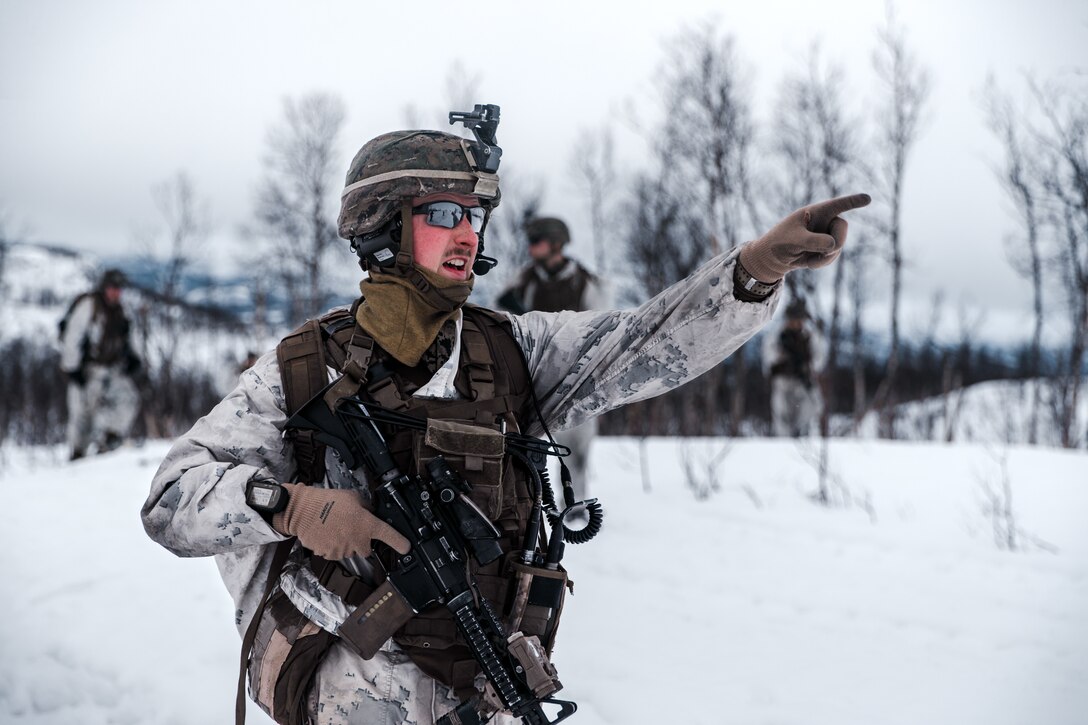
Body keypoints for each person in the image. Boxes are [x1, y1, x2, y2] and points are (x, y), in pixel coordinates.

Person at [141, 118, 869, 725]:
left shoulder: (511, 350)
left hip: (486, 688)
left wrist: (750, 273)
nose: (469, 234)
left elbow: (645, 342)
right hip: (350, 694)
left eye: (475, 216)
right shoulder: (301, 367)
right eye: (445, 214)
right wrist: (291, 506)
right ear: (386, 224)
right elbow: (171, 499)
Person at [495, 216, 609, 506]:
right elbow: (500, 316)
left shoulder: (585, 282)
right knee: (524, 447)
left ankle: (576, 504)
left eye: (537, 241)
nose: (531, 248)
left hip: (575, 379)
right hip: (532, 379)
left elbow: (601, 327)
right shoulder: (524, 280)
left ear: (556, 244)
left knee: (577, 450)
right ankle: (526, 505)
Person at [59, 267, 141, 460]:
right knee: (82, 413)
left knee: (128, 398)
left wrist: (134, 359)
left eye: (119, 288)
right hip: (87, 369)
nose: (116, 292)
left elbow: (130, 338)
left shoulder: (122, 311)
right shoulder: (88, 306)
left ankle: (109, 438)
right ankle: (77, 453)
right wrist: (72, 368)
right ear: (104, 287)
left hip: (112, 369)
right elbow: (72, 336)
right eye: (112, 287)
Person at [762, 298, 827, 437]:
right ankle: (783, 443)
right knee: (781, 414)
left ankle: (802, 439)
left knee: (808, 410)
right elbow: (769, 358)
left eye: (799, 320)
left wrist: (808, 367)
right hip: (782, 380)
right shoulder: (777, 335)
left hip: (802, 380)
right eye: (794, 320)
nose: (796, 323)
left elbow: (819, 358)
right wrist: (782, 359)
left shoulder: (810, 336)